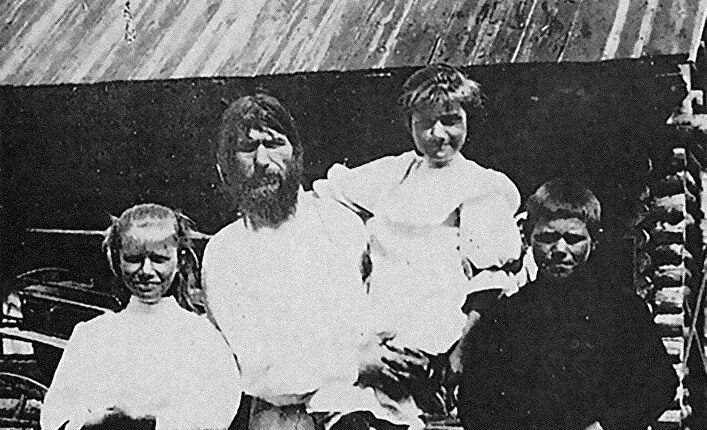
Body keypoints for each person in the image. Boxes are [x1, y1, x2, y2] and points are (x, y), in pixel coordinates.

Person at [312, 63, 523, 426]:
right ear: (409, 124)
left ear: (467, 119)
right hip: (379, 324)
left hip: (437, 329)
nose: (438, 134)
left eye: (450, 121)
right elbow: (329, 197)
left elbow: (490, 279)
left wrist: (461, 350)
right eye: (424, 123)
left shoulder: (481, 186)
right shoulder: (392, 173)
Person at [202, 93, 371, 430]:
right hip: (280, 418)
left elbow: (368, 322)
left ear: (296, 153)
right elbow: (262, 371)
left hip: (359, 410)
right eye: (247, 148)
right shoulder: (224, 253)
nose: (262, 160)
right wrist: (358, 364)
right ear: (226, 165)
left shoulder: (341, 226)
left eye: (274, 143)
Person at [458, 179, 679, 430]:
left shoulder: (623, 311)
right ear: (528, 238)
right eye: (547, 237)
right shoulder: (505, 317)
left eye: (573, 239)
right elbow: (474, 404)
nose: (560, 249)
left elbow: (660, 384)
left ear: (594, 241)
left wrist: (608, 426)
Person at [40, 204, 241, 430]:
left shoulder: (202, 337)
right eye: (133, 259)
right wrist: (96, 422)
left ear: (180, 260)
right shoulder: (92, 335)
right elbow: (55, 415)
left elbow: (217, 411)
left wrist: (147, 423)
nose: (146, 271)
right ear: (117, 260)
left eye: (159, 259)